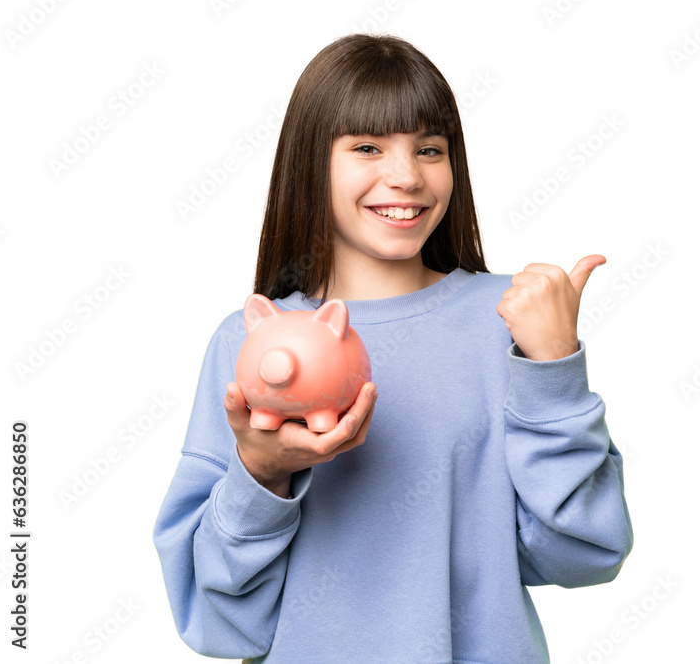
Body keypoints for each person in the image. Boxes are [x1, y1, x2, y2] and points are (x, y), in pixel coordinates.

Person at [152, 32, 634, 664]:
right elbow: (218, 624)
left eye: (429, 148)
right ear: (310, 163)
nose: (406, 176)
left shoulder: (509, 323)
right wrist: (263, 474)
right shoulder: (249, 340)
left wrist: (554, 371)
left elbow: (585, 555)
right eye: (368, 147)